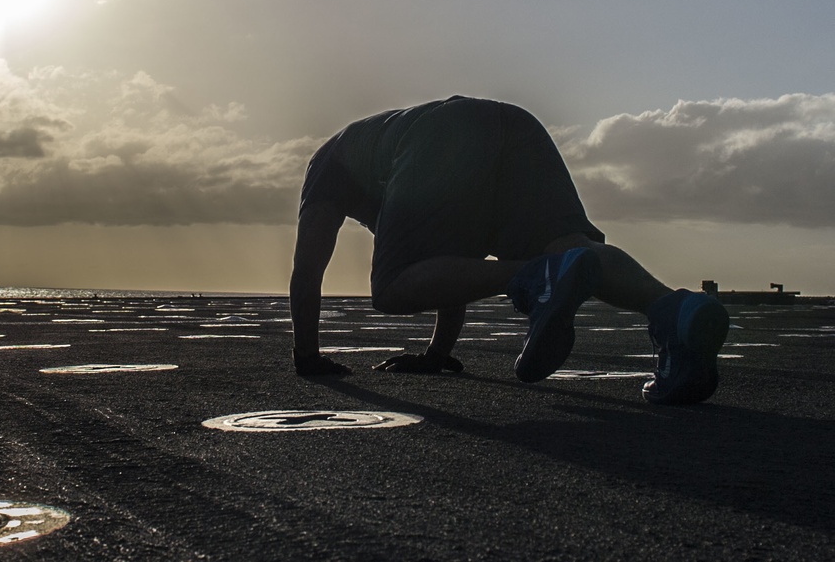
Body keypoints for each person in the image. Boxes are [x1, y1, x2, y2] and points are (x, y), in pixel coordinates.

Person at [289, 96, 730, 405]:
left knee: (390, 286)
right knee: (573, 249)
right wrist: (436, 355)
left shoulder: (328, 163)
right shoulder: (395, 174)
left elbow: (307, 269)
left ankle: (540, 276)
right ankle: (673, 310)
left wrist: (307, 358)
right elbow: (451, 269)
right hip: (513, 124)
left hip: (441, 134)